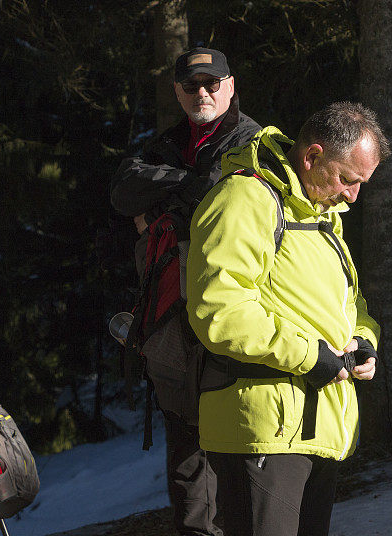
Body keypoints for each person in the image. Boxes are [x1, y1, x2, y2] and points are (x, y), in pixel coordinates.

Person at [186, 101, 390, 536]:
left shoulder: (322, 214)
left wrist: (362, 340)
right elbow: (219, 309)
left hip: (314, 427)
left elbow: (349, 305)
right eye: (347, 179)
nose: (353, 195)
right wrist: (309, 356)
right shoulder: (243, 198)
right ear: (312, 156)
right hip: (261, 427)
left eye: (361, 183)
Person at [110, 47, 261, 536]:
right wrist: (182, 184)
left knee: (235, 447)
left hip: (232, 314)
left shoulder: (253, 141)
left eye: (212, 82)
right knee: (187, 455)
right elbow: (123, 190)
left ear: (230, 85)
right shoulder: (168, 145)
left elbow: (224, 198)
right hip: (171, 321)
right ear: (177, 91)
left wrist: (163, 205)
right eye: (192, 85)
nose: (203, 92)